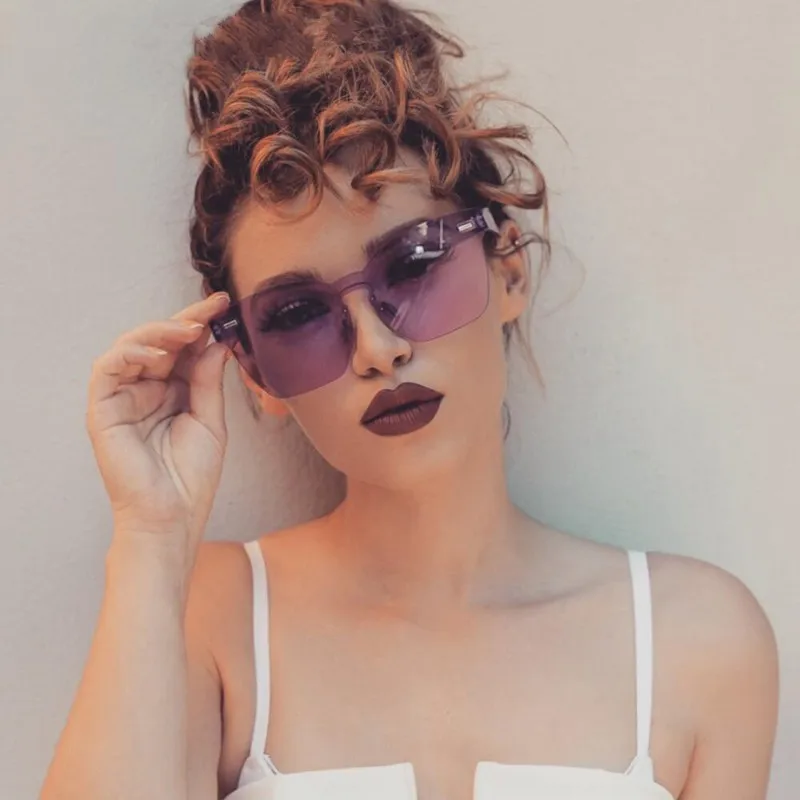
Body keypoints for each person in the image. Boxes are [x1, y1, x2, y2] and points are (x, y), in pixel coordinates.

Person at [40, 1, 779, 799]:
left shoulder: (696, 642)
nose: (377, 348)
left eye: (415, 265)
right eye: (299, 314)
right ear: (252, 372)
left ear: (508, 271)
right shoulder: (208, 616)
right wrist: (151, 536)